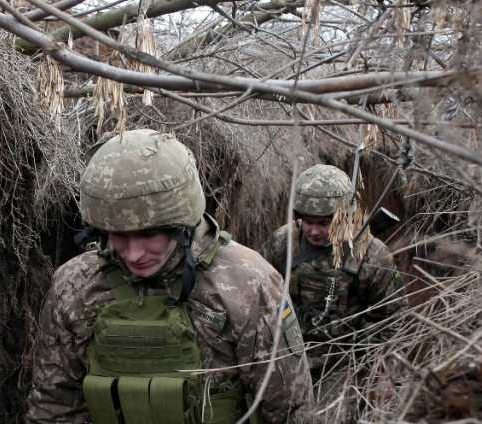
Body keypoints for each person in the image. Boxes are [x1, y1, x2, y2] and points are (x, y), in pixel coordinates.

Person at [26, 129, 314, 423]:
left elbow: (290, 409)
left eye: (149, 234)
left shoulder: (248, 284)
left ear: (182, 223)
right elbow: (54, 405)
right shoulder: (76, 285)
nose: (134, 253)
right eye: (119, 235)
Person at [260, 164, 403, 378]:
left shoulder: (373, 256)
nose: (314, 232)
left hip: (344, 365)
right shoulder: (284, 242)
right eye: (308, 222)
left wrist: (379, 372)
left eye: (324, 223)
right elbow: (261, 293)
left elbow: (392, 318)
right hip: (288, 356)